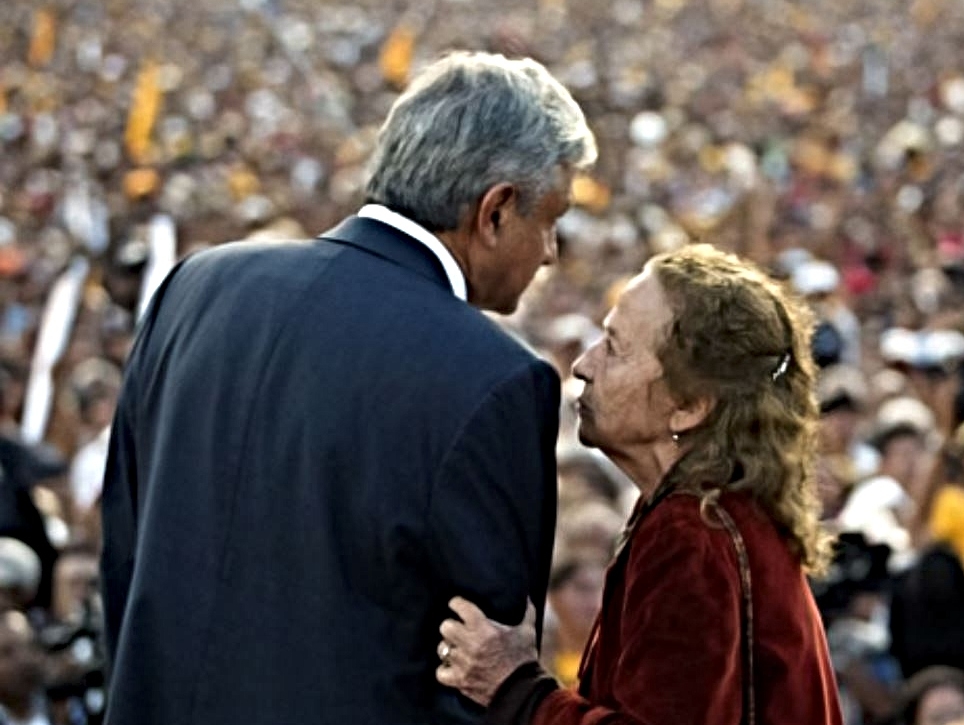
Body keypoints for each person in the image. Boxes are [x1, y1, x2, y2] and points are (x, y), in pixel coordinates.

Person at [100, 51, 596, 725]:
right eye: (552, 219)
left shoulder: (194, 286)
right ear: (496, 211)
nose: (550, 252)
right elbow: (479, 682)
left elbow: (126, 559)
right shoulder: (496, 378)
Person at [433, 244, 842, 725]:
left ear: (689, 405)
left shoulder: (692, 533)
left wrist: (517, 688)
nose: (584, 364)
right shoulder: (715, 511)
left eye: (614, 347)